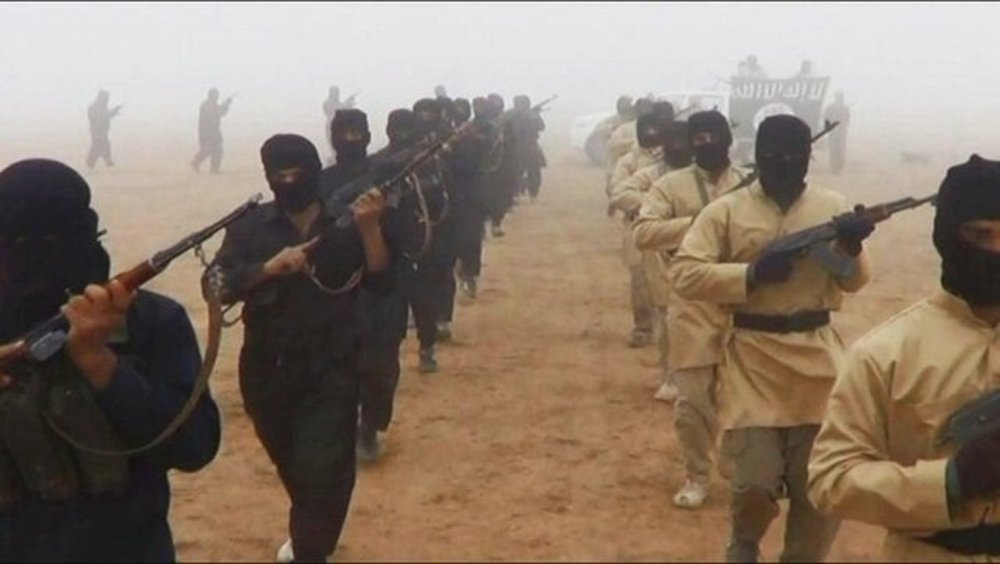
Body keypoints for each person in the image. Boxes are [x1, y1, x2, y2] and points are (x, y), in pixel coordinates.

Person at [671, 114, 874, 562]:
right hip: (753, 361)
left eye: (793, 155)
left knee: (817, 487)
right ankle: (744, 543)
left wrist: (852, 246)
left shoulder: (832, 207)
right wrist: (750, 275)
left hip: (818, 362)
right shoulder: (726, 211)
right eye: (771, 155)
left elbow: (854, 282)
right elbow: (684, 273)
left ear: (808, 157)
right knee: (754, 485)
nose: (782, 163)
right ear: (757, 157)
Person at [0, 159, 221, 561]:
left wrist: (102, 366)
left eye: (54, 242)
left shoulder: (150, 321)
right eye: (15, 243)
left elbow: (195, 446)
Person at [808, 155, 1000, 561]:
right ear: (946, 237)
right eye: (980, 235)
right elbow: (831, 478)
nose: (996, 251)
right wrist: (950, 481)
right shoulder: (885, 354)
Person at [211, 134, 391, 563]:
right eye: (279, 175)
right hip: (266, 370)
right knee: (295, 465)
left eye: (297, 173)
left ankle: (311, 548)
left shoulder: (347, 220)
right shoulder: (250, 226)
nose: (289, 182)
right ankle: (311, 526)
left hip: (334, 365)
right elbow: (217, 285)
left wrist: (371, 229)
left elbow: (382, 281)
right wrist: (267, 269)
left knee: (324, 465)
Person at [633, 111, 747, 508]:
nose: (706, 144)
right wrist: (697, 222)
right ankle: (697, 474)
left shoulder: (750, 184)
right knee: (693, 402)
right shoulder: (669, 185)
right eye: (698, 138)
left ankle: (737, 466)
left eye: (714, 136)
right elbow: (644, 232)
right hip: (692, 303)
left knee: (744, 399)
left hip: (744, 302)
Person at [607, 106, 674, 350]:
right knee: (640, 278)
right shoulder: (630, 160)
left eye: (655, 128)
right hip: (638, 228)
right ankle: (643, 327)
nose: (651, 133)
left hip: (673, 229)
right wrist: (655, 204)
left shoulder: (673, 157)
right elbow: (618, 192)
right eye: (646, 128)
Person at [508, 95, 547, 201]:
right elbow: (541, 127)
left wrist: (535, 115)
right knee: (521, 172)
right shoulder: (513, 114)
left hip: (524, 147)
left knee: (529, 172)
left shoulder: (527, 114)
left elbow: (541, 127)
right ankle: (525, 193)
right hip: (521, 147)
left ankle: (529, 193)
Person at [191, 88, 233, 174]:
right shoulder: (208, 105)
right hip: (209, 131)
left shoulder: (208, 104)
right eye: (216, 95)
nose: (217, 97)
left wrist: (225, 104)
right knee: (210, 149)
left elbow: (219, 111)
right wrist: (226, 105)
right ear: (212, 96)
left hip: (210, 131)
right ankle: (200, 164)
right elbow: (218, 113)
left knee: (214, 150)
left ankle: (208, 167)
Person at [86, 90, 122, 169]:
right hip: (97, 131)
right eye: (106, 98)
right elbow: (102, 117)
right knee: (100, 146)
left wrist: (114, 112)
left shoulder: (101, 107)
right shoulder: (95, 107)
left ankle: (94, 162)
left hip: (102, 131)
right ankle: (96, 162)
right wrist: (114, 111)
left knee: (100, 146)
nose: (108, 100)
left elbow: (106, 117)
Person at [323, 86, 358, 157]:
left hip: (340, 127)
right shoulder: (328, 102)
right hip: (331, 126)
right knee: (334, 146)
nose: (337, 94)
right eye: (336, 93)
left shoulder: (337, 103)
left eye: (338, 93)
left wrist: (349, 103)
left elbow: (342, 108)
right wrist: (348, 103)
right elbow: (338, 110)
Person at [823, 92, 851, 174]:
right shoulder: (841, 108)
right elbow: (826, 118)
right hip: (835, 132)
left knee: (838, 150)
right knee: (835, 150)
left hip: (839, 132)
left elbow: (847, 120)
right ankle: (835, 167)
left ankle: (837, 167)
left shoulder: (844, 108)